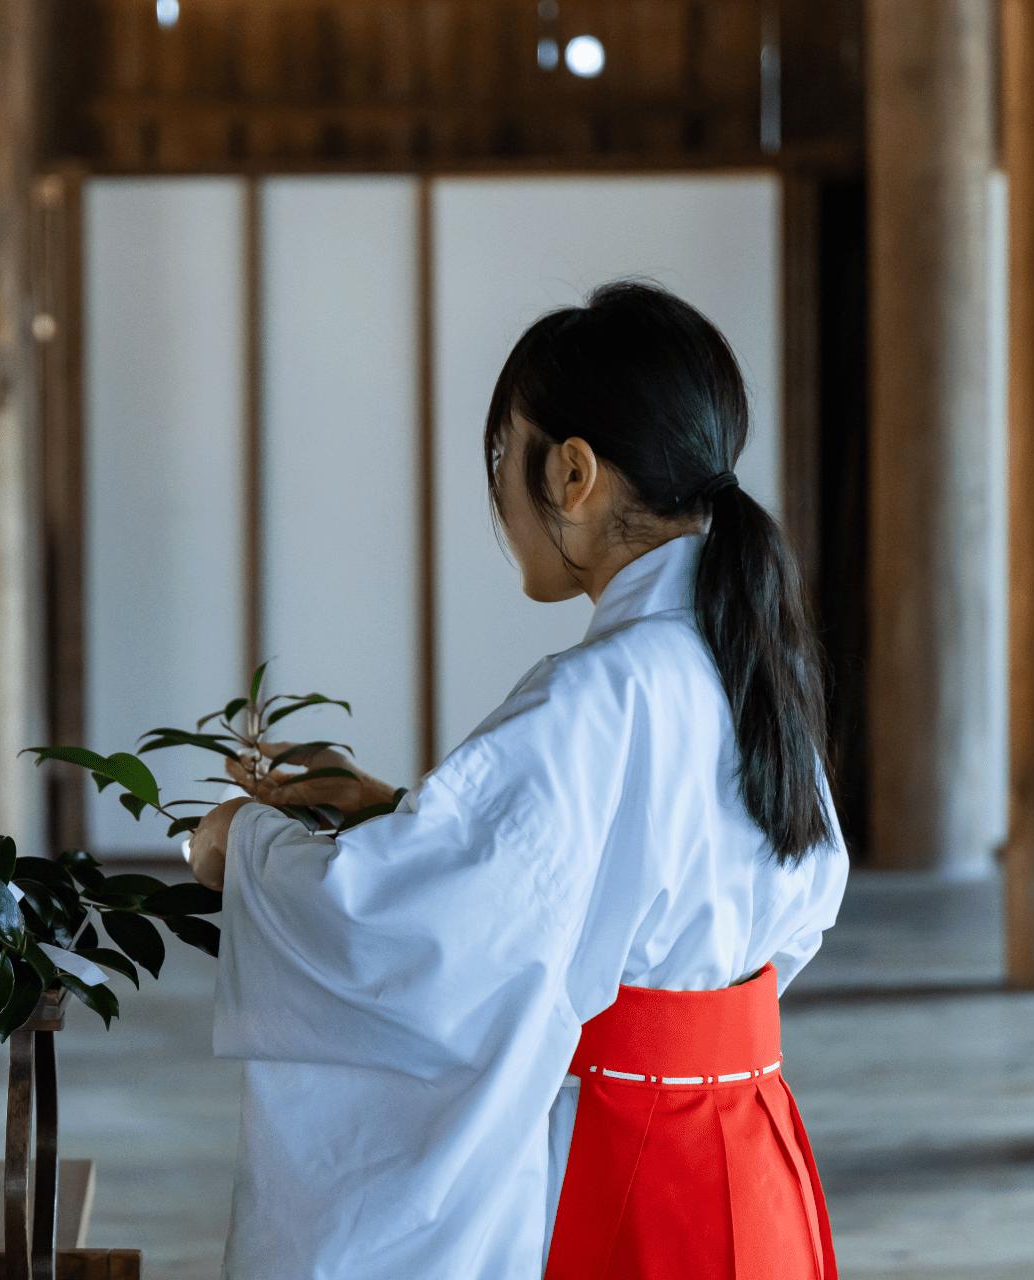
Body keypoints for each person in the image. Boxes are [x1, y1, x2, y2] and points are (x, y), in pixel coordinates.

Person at [187, 280, 848, 1279]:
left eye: (505, 456)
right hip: (750, 1150)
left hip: (626, 1164)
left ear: (573, 472)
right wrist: (399, 810)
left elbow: (414, 929)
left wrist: (244, 845)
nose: (498, 490)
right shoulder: (750, 658)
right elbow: (696, 886)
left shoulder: (599, 689)